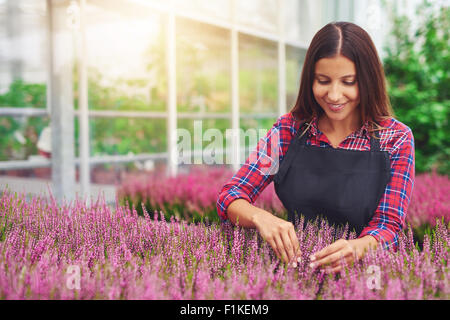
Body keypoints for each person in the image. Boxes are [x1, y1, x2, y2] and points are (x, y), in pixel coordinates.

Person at [216, 22, 415, 274]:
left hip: (366, 274)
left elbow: (388, 226)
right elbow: (231, 196)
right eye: (323, 81)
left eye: (348, 82)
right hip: (297, 268)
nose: (334, 95)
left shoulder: (395, 138)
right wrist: (260, 218)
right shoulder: (289, 130)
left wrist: (359, 247)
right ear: (310, 79)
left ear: (368, 81)